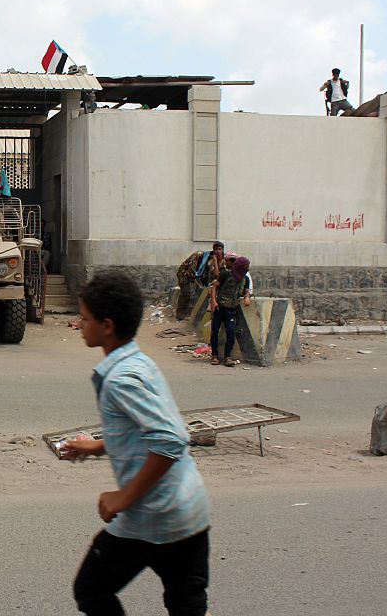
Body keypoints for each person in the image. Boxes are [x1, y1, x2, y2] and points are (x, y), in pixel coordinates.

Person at [63, 270, 211, 616]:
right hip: (189, 510)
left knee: (91, 590)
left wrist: (123, 497)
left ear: (107, 325)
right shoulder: (138, 362)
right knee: (186, 603)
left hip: (153, 513)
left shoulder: (122, 379)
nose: (80, 324)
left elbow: (171, 440)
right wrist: (98, 446)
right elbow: (145, 431)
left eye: (84, 319)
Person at [208, 255, 252, 367]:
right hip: (219, 308)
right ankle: (214, 356)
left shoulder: (245, 279)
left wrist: (247, 297)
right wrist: (213, 301)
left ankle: (227, 357)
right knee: (214, 332)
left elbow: (246, 291)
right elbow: (214, 287)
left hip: (232, 310)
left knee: (231, 333)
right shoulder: (226, 274)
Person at [175, 242, 224, 319]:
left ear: (222, 250)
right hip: (186, 274)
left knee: (199, 294)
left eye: (219, 249)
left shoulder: (221, 260)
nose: (217, 251)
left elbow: (216, 275)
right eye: (215, 249)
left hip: (201, 278)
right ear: (213, 250)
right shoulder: (201, 256)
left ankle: (192, 315)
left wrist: (215, 261)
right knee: (187, 292)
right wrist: (198, 284)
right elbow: (191, 271)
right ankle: (180, 315)